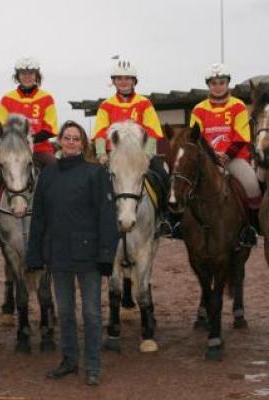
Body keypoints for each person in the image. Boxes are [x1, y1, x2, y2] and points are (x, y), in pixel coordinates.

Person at [26, 120, 119, 386]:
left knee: (91, 313)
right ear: (59, 142)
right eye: (66, 138)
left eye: (76, 138)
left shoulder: (96, 173)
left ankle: (92, 366)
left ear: (83, 143)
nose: (70, 142)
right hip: (58, 255)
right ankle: (68, 361)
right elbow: (39, 219)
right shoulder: (48, 175)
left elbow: (106, 216)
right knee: (65, 313)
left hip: (88, 256)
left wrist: (105, 254)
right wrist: (34, 254)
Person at [92, 58, 173, 237]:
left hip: (140, 157)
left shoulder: (144, 103)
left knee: (162, 176)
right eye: (119, 78)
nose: (123, 82)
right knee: (93, 182)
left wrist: (148, 154)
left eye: (127, 78)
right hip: (114, 157)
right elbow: (99, 132)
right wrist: (100, 154)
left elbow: (152, 131)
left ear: (134, 81)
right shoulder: (106, 105)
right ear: (113, 81)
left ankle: (163, 218)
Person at [0, 57, 58, 243]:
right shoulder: (7, 99)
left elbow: (51, 128)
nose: (27, 77)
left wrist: (30, 139)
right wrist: (16, 141)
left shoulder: (46, 98)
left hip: (40, 149)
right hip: (13, 152)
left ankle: (59, 221)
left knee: (59, 175)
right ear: (18, 76)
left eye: (31, 73)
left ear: (36, 75)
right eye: (23, 74)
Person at [190, 63, 261, 247]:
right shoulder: (199, 109)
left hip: (234, 158)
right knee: (184, 183)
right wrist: (211, 156)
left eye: (222, 82)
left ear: (227, 83)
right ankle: (178, 225)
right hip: (207, 160)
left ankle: (250, 229)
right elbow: (194, 137)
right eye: (214, 83)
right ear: (208, 85)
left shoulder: (237, 106)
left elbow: (242, 135)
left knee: (253, 185)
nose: (218, 86)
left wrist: (227, 155)